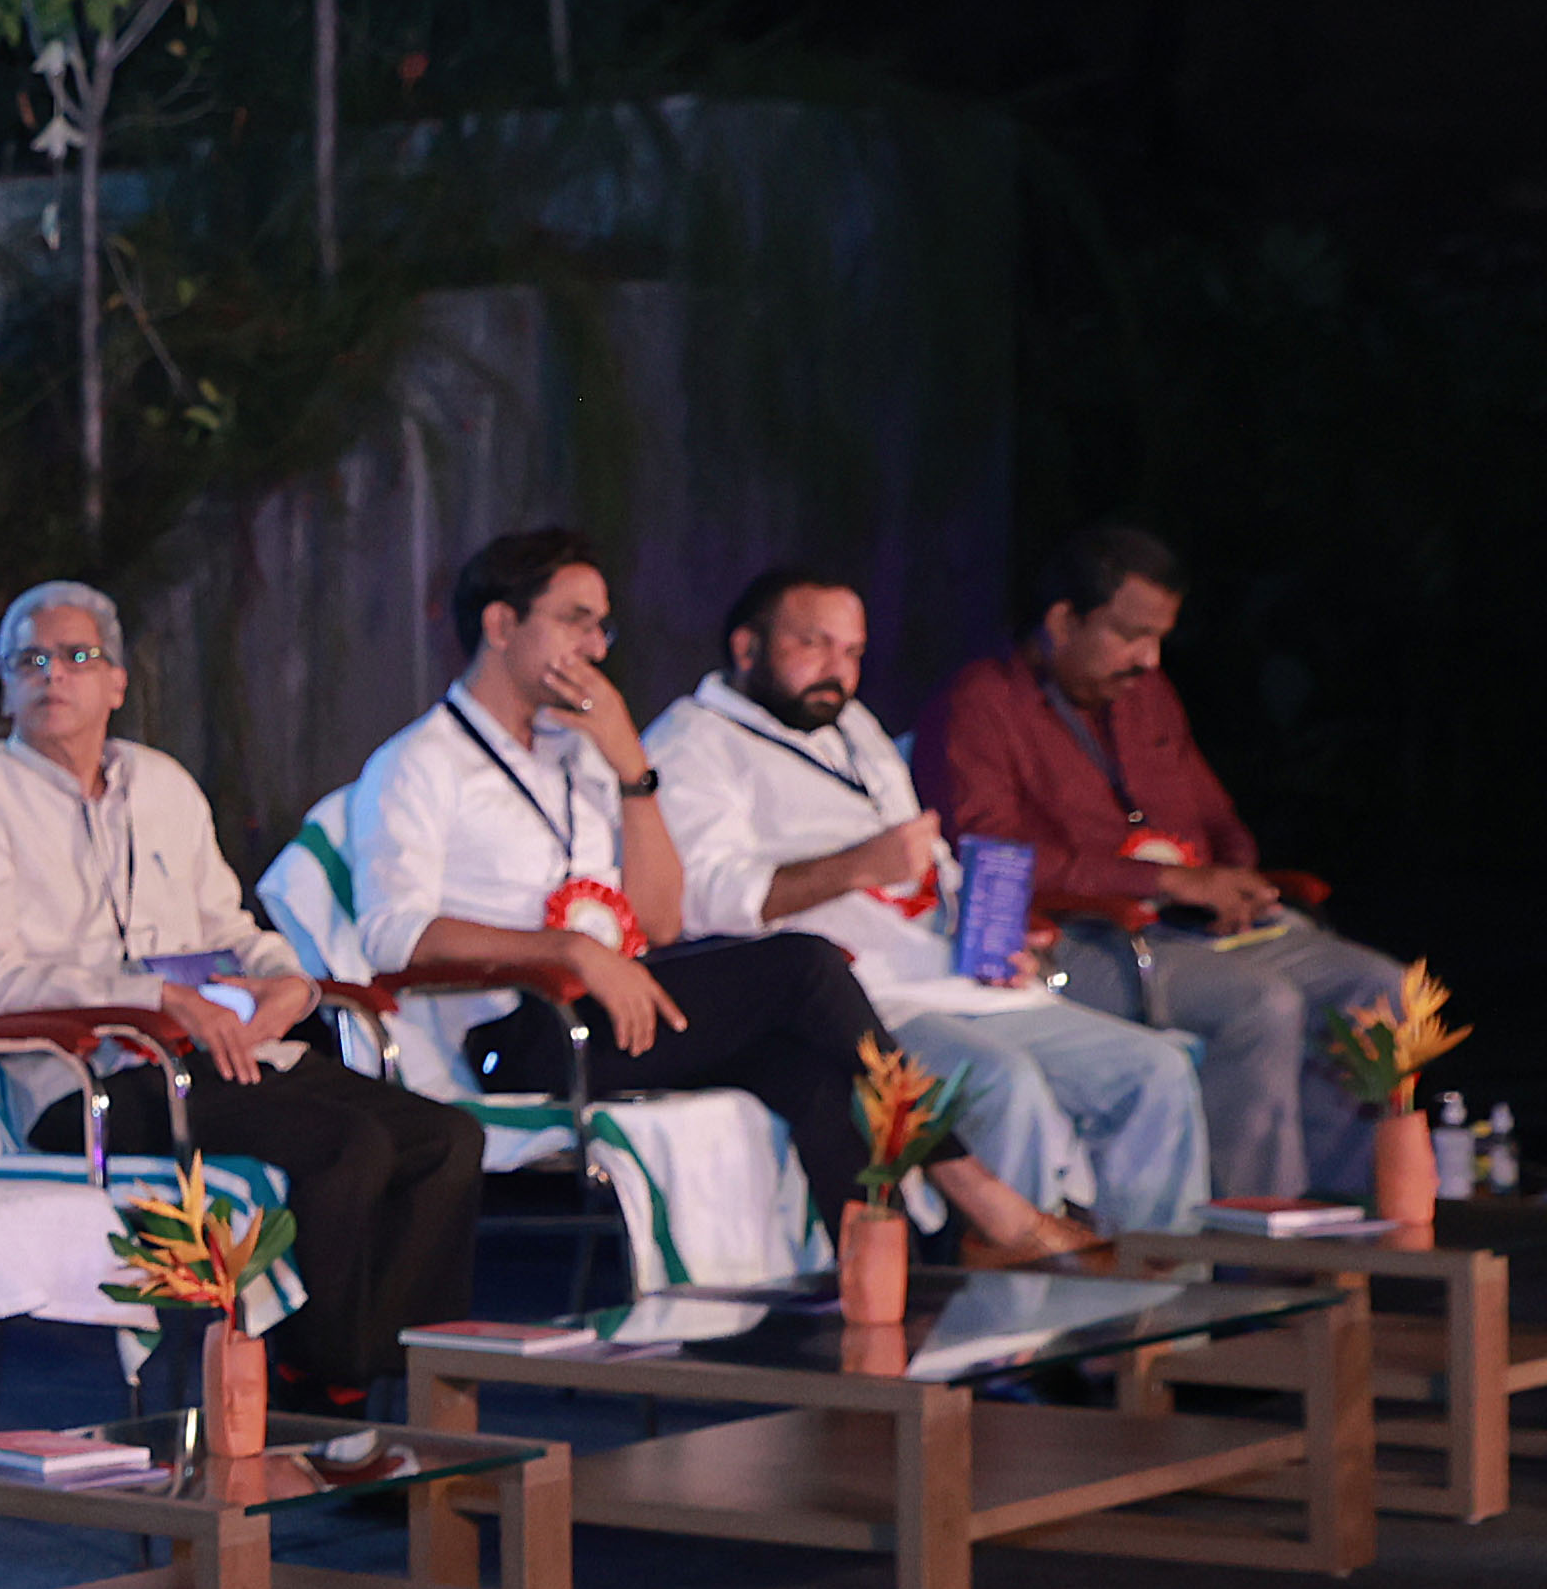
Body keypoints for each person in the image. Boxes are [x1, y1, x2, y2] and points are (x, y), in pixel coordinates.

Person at [330, 525, 1089, 1259]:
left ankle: (892, 1293)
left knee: (813, 1075)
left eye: (602, 627)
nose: (596, 647)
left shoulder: (578, 757)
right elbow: (393, 934)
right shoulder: (419, 763)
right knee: (803, 963)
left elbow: (660, 920)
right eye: (575, 621)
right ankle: (974, 1190)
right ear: (501, 625)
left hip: (626, 1005)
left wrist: (632, 770)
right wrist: (569, 952)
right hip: (523, 1034)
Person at [0, 581, 484, 1405]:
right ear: (5, 688)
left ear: (117, 682)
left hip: (218, 1053)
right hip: (82, 1086)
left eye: (76, 656)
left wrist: (288, 980)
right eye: (28, 660)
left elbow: (227, 923)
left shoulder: (162, 784)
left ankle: (395, 1385)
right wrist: (148, 998)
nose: (51, 675)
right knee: (346, 1147)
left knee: (445, 1138)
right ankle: (327, 1396)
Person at [648, 567, 1210, 1233]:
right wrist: (857, 867)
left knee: (1155, 1074)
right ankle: (1019, 1293)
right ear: (747, 648)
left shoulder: (853, 726)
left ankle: (1154, 1293)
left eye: (853, 652)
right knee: (1003, 1085)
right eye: (814, 644)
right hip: (854, 1005)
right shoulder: (692, 743)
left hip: (952, 977)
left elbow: (928, 861)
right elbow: (700, 903)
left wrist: (996, 933)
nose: (838, 671)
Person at [915, 524, 1411, 1200]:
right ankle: (1252, 1238)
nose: (1148, 660)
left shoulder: (1147, 696)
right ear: (1062, 621)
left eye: (1159, 639)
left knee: (1380, 989)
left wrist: (1238, 882)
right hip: (1080, 937)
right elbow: (993, 859)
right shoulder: (979, 705)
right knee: (1260, 1004)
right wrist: (1165, 880)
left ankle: (1343, 1217)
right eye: (1130, 636)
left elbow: (1217, 817)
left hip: (1191, 926)